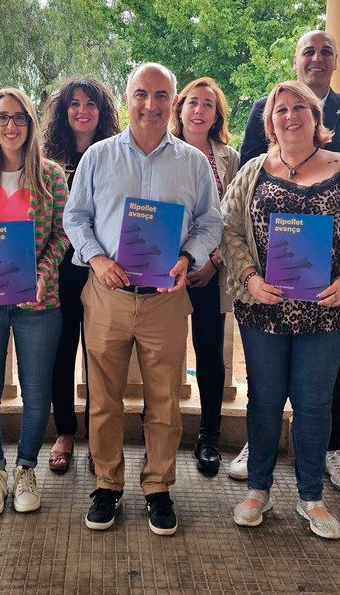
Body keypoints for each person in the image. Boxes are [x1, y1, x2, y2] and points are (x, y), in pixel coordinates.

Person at [64, 62, 223, 536]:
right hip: (107, 294)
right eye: (141, 94)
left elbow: (210, 222)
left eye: (160, 96)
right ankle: (107, 484)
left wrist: (188, 257)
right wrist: (95, 258)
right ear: (127, 98)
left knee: (164, 400)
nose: (150, 105)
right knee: (103, 399)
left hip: (165, 299)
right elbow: (76, 216)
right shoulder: (99, 156)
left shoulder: (193, 163)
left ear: (172, 102)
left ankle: (157, 486)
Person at [221, 80, 340, 539]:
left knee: (313, 404)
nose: (290, 116)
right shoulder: (252, 170)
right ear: (269, 123)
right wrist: (249, 278)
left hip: (325, 312)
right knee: (265, 400)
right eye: (280, 110)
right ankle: (259, 490)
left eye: (299, 108)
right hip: (263, 310)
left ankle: (311, 497)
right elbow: (228, 229)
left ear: (316, 117)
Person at [0, 87, 69, 517]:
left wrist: (42, 275)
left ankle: (25, 469)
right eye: (1, 117)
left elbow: (63, 234)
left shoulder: (52, 176)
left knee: (37, 389)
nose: (10, 125)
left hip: (40, 301)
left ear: (31, 124)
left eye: (19, 117)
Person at [41, 76, 121, 475]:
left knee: (100, 355)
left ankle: (97, 435)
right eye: (74, 104)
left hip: (105, 268)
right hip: (59, 268)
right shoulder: (46, 158)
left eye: (91, 104)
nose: (82, 111)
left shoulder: (117, 155)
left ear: (102, 112)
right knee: (62, 350)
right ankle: (65, 431)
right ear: (63, 111)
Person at [169, 77, 240, 475]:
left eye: (208, 104)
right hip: (167, 271)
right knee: (161, 353)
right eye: (192, 102)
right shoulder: (164, 150)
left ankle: (209, 435)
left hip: (211, 272)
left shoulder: (229, 158)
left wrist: (213, 261)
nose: (199, 110)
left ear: (217, 115)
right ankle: (157, 430)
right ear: (180, 109)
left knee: (210, 353)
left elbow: (232, 217)